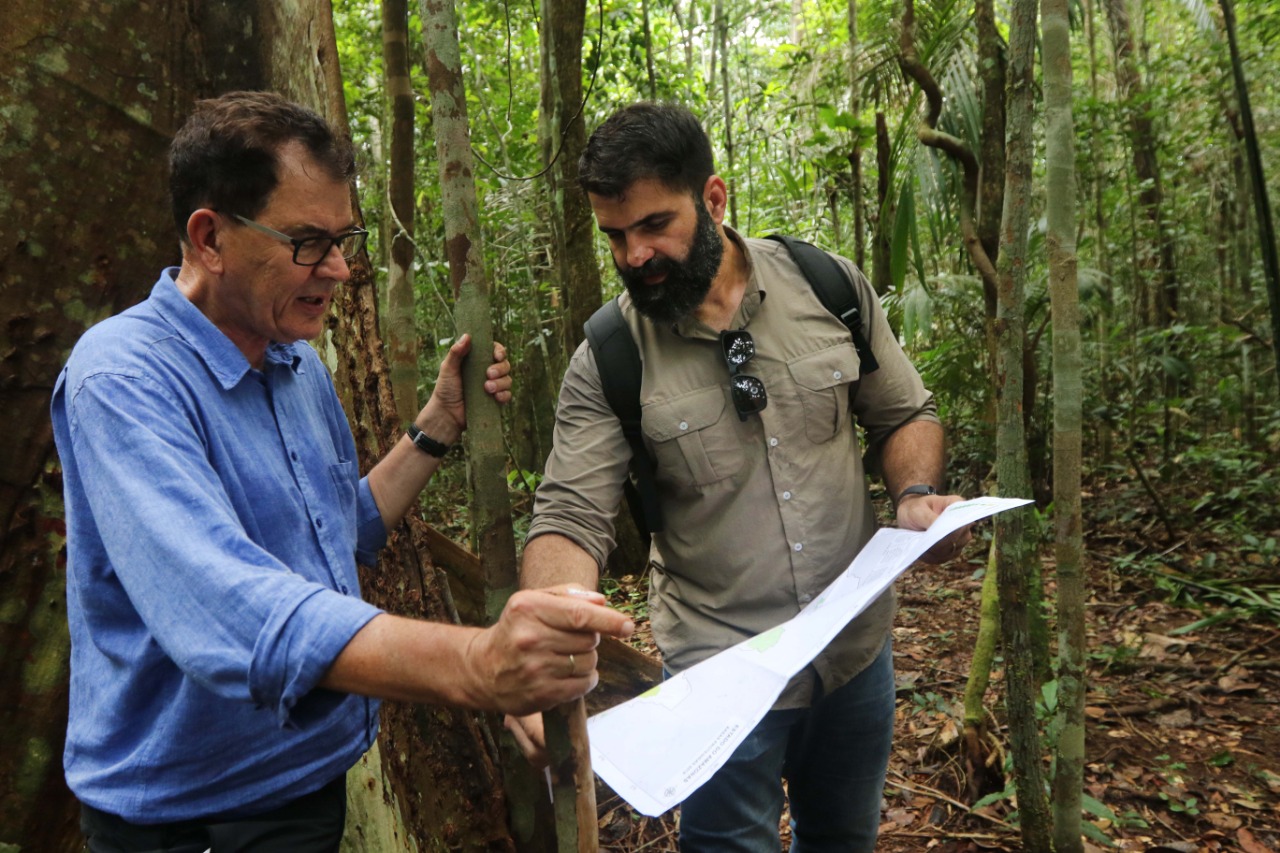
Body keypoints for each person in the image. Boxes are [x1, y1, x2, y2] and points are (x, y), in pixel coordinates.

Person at [51, 91, 632, 852]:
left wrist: (436, 427)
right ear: (209, 236)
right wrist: (477, 664)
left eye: (343, 239)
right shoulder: (124, 377)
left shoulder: (294, 364)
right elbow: (228, 611)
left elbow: (336, 536)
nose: (338, 268)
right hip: (190, 817)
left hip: (307, 787)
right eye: (307, 242)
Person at [507, 102, 971, 853]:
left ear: (714, 199)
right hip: (719, 674)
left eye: (654, 225)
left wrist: (915, 497)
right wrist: (545, 637)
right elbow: (570, 514)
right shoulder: (610, 355)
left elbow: (904, 411)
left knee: (844, 838)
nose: (633, 255)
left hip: (855, 654)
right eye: (615, 236)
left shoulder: (827, 286)